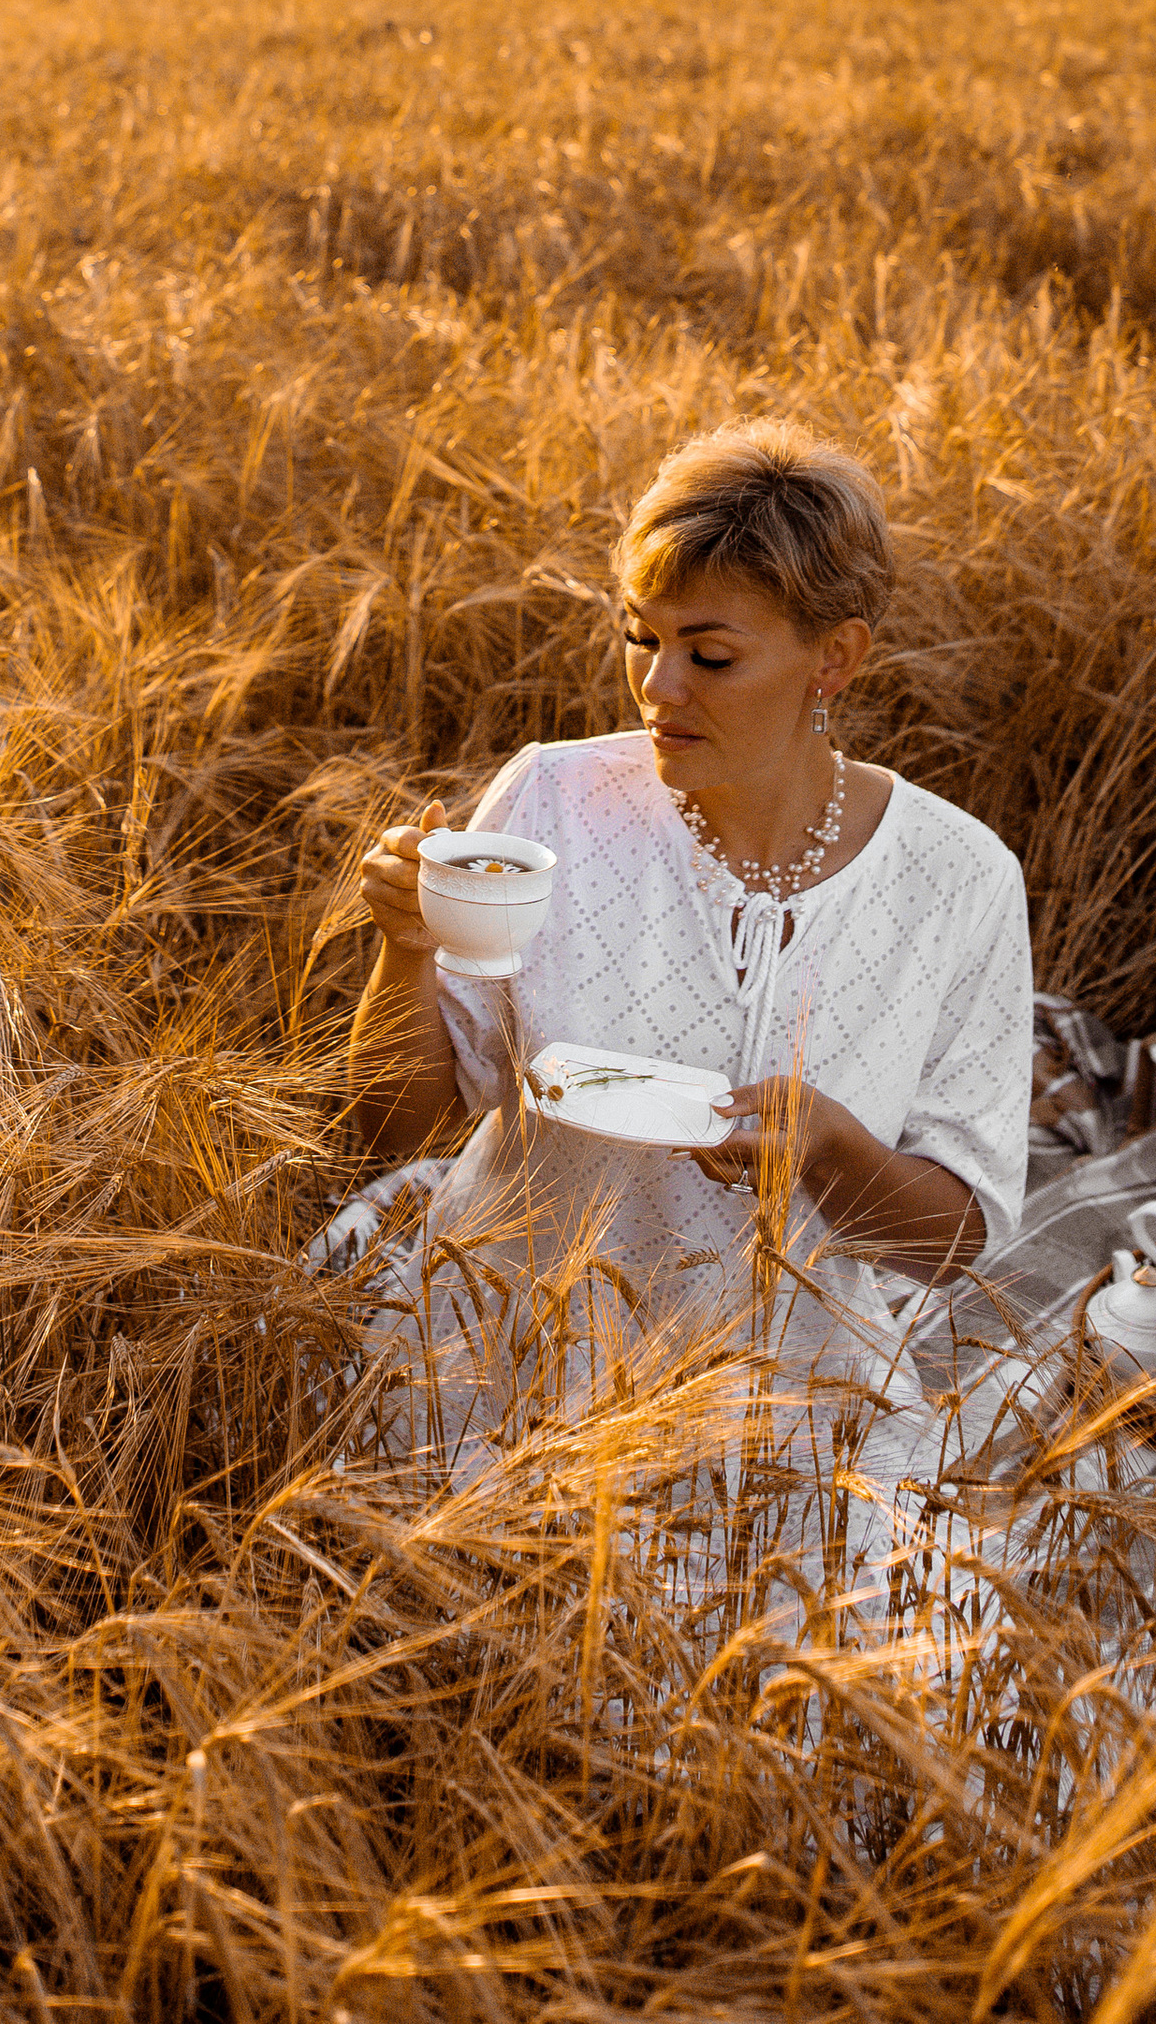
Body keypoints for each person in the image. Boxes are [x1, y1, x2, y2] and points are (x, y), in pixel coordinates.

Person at [336, 419, 1031, 1582]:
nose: (657, 687)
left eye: (708, 656)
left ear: (836, 658)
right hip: (501, 1373)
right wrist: (402, 954)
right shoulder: (552, 800)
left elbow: (949, 1243)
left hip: (788, 1421)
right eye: (638, 639)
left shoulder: (957, 882)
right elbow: (387, 1131)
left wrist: (827, 1149)